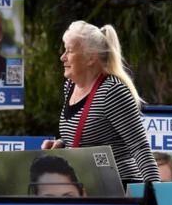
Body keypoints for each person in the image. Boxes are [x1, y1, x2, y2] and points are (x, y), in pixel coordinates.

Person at [41, 21, 161, 188]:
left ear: (90, 57)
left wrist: (155, 196)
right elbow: (92, 134)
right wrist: (62, 144)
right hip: (91, 186)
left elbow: (140, 148)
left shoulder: (112, 91)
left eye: (69, 51)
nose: (62, 57)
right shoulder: (70, 87)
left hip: (119, 187)